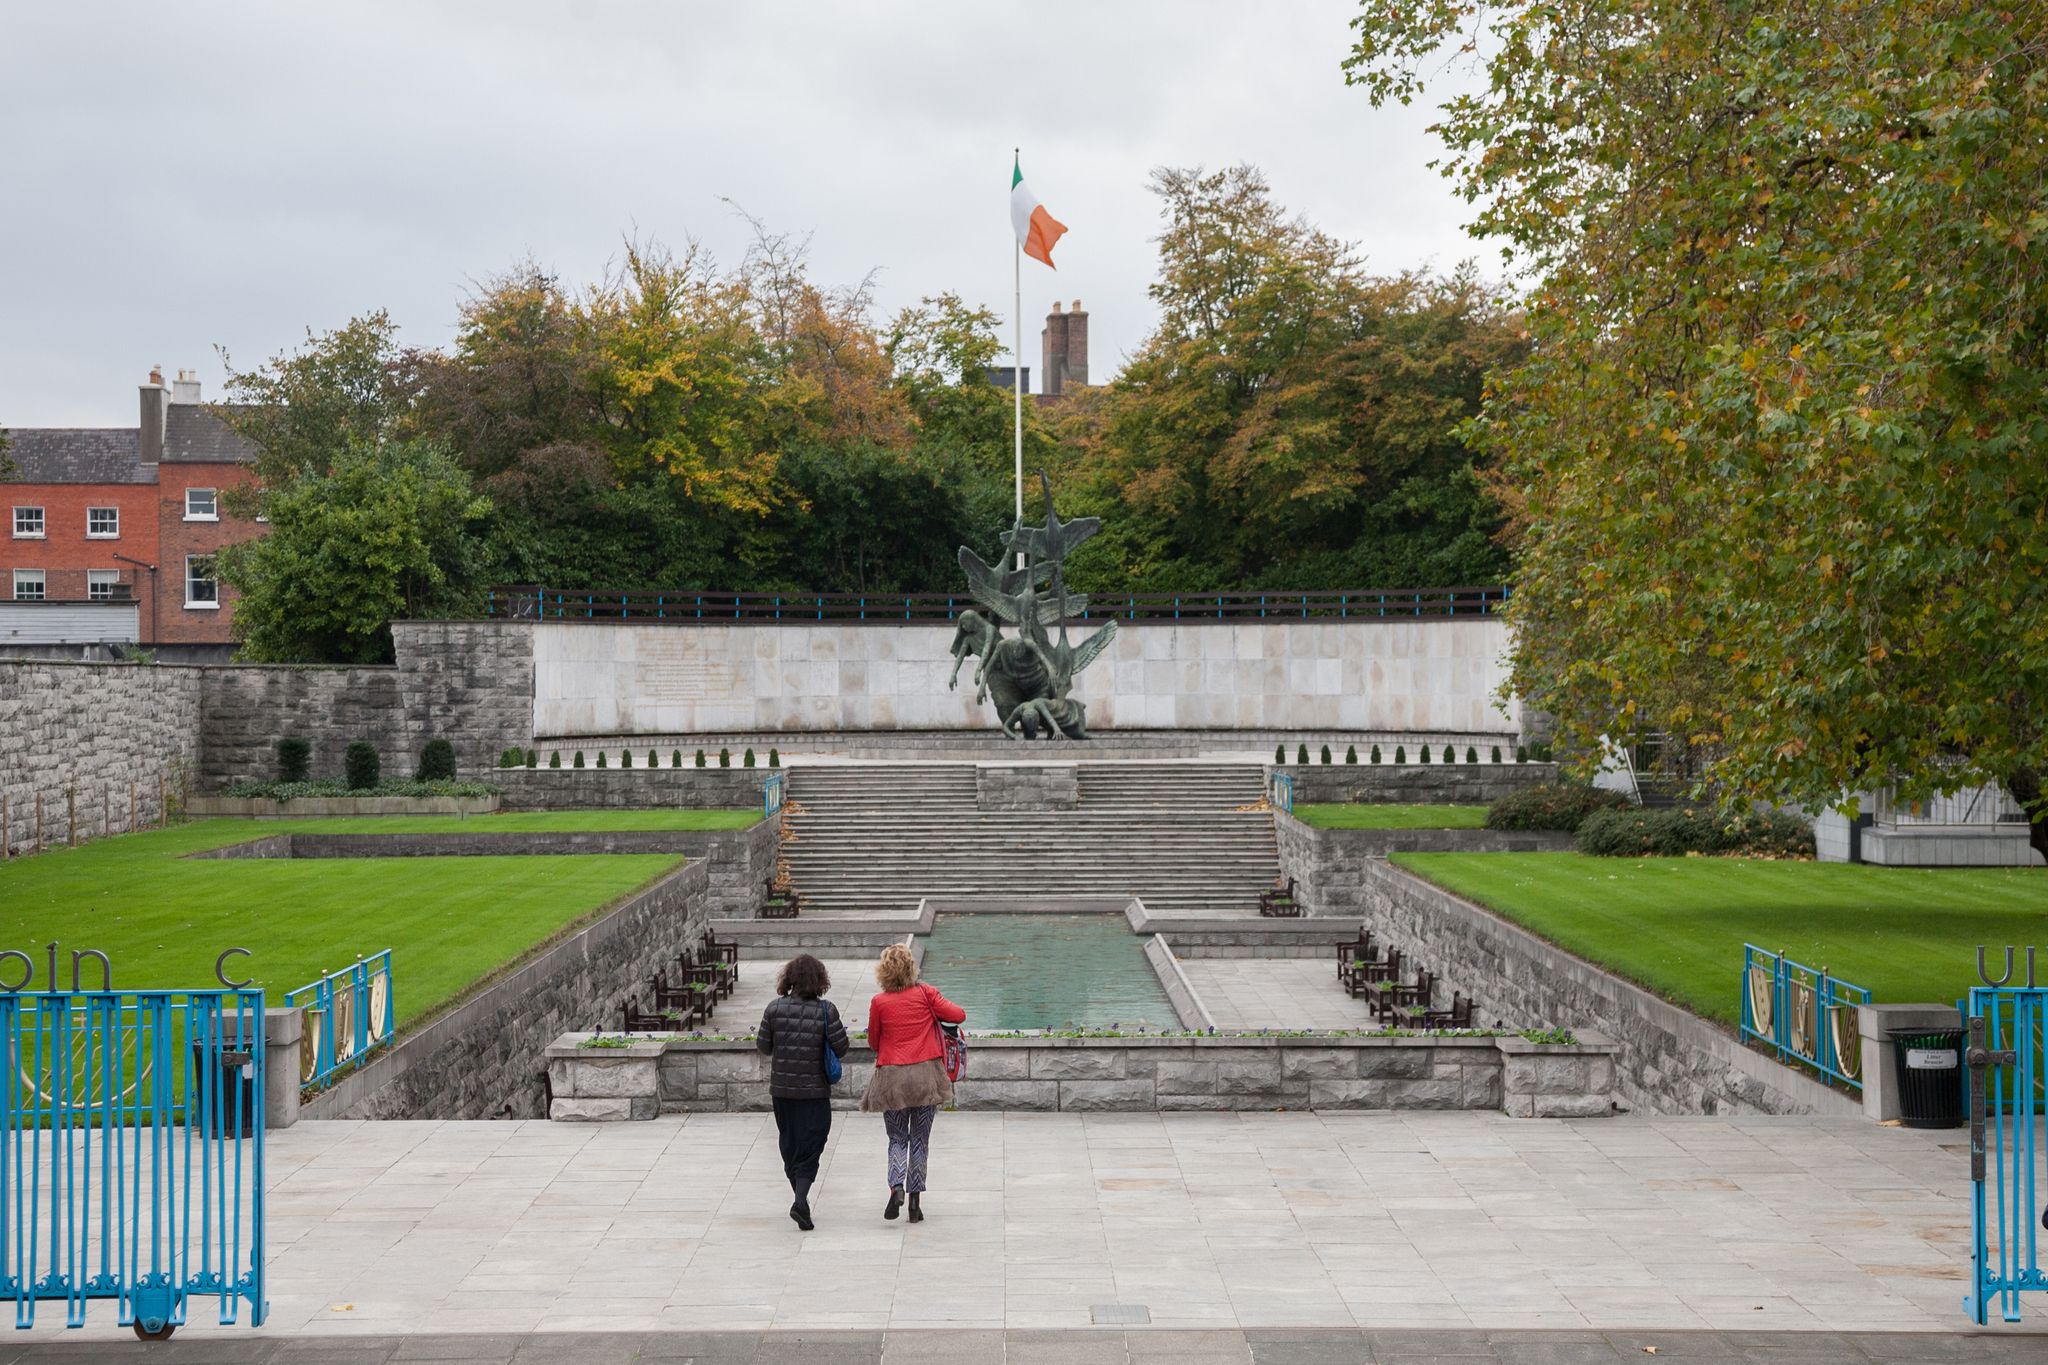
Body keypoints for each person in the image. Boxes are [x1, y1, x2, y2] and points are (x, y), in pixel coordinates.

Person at [860, 943, 967, 1223]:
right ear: (912, 968)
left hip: (892, 1078)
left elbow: (874, 1041)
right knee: (920, 1139)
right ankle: (915, 1202)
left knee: (897, 1138)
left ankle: (896, 1186)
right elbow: (958, 1015)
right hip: (925, 1076)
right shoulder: (925, 993)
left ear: (883, 971)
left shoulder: (879, 1002)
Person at [756, 954, 851, 1231]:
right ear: (820, 980)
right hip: (814, 1094)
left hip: (782, 1092)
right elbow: (842, 1048)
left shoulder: (774, 1009)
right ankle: (800, 1200)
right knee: (812, 1146)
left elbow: (764, 1046)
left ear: (789, 978)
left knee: (790, 1145)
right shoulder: (826, 1011)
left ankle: (801, 1202)